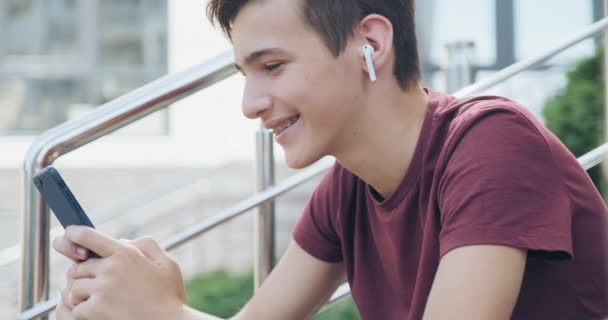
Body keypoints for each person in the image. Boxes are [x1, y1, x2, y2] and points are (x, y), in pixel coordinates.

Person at [52, 0, 608, 319]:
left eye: (272, 66)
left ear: (371, 43)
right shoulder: (347, 189)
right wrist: (138, 300)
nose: (250, 105)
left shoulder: (492, 144)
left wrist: (167, 316)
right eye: (246, 74)